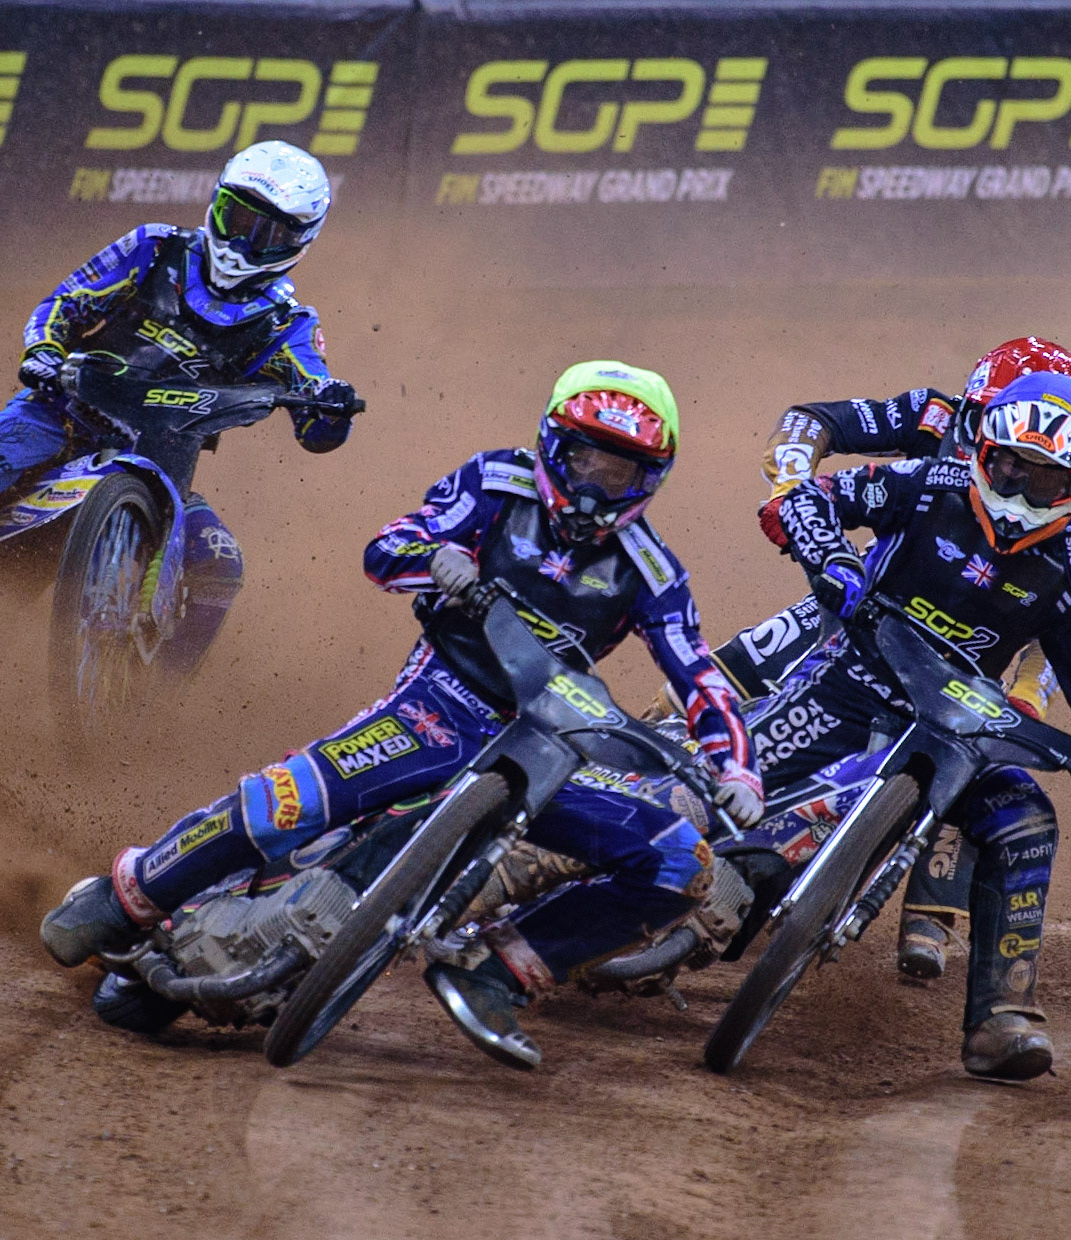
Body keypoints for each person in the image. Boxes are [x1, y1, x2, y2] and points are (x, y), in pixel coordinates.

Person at [40, 360, 765, 1069]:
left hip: (543, 747)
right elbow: (385, 548)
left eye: (621, 472)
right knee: (296, 798)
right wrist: (437, 560)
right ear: (553, 446)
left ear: (652, 480)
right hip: (441, 700)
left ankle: (497, 977)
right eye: (584, 460)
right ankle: (130, 894)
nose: (595, 485)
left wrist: (738, 767)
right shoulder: (494, 482)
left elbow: (698, 671)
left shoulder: (652, 571)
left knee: (676, 859)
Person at [745, 370, 1071, 1080]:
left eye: (1047, 482)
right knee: (720, 768)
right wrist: (828, 555)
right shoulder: (930, 482)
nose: (1022, 493)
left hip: (958, 726)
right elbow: (813, 497)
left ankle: (1001, 1017)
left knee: (1027, 822)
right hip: (852, 679)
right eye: (1010, 468)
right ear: (983, 450)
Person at [0, 140, 362, 671]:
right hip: (60, 414)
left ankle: (154, 708)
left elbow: (316, 418)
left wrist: (330, 406)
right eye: (235, 216)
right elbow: (64, 302)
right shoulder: (156, 248)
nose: (242, 239)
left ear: (297, 241)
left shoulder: (288, 325)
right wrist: (43, 353)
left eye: (265, 231)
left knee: (219, 566)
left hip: (160, 463)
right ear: (215, 202)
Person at [705, 338, 1071, 980]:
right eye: (985, 423)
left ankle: (931, 911)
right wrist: (792, 484)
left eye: (1042, 462)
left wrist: (1026, 701)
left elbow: (1053, 639)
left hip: (965, 665)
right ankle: (639, 789)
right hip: (859, 607)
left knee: (990, 742)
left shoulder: (1057, 521)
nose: (1014, 466)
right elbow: (812, 419)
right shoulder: (934, 416)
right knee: (717, 676)